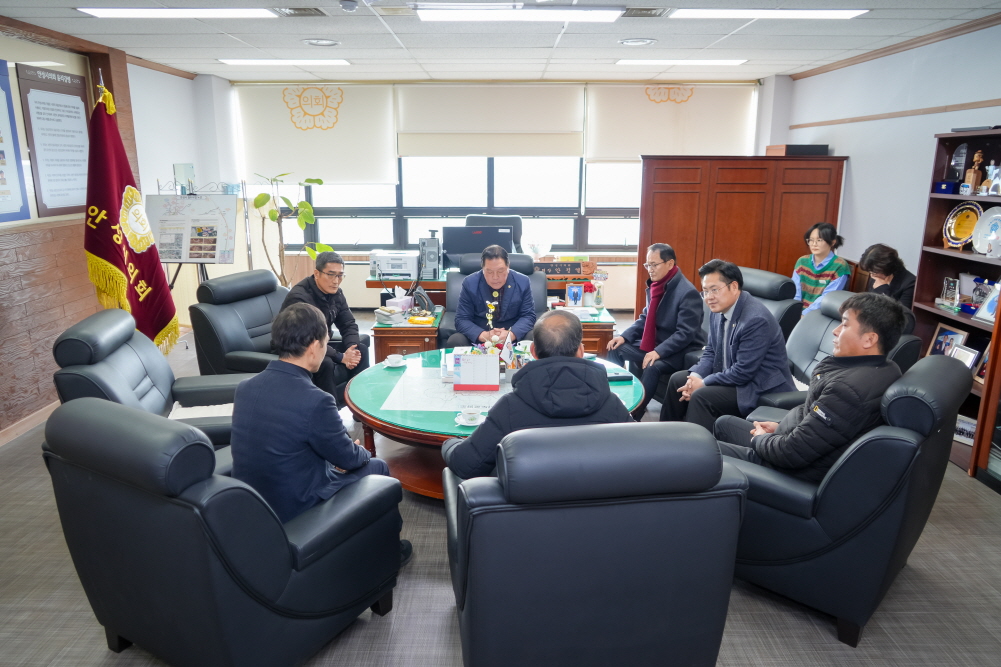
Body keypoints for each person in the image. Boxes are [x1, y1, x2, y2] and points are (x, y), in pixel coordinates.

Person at [231, 303, 411, 563]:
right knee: (378, 467)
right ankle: (390, 551)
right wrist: (356, 452)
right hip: (298, 507)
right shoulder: (316, 401)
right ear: (314, 347)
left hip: (254, 504)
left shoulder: (245, 388)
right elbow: (349, 459)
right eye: (326, 342)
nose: (326, 348)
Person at [713, 292, 905, 483]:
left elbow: (791, 453)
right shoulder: (885, 367)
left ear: (869, 340)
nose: (835, 330)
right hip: (798, 448)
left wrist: (760, 440)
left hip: (792, 471)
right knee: (724, 424)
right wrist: (782, 427)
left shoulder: (846, 391)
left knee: (704, 451)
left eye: (845, 324)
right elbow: (818, 429)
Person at [442, 309, 633, 479]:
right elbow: (642, 454)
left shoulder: (510, 407)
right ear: (581, 351)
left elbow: (465, 465)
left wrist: (449, 444)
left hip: (526, 514)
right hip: (601, 510)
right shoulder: (612, 404)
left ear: (533, 351)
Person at [661, 259, 795, 431]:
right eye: (705, 291)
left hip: (758, 386)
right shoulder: (718, 310)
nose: (709, 297)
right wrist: (695, 377)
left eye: (714, 290)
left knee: (702, 395)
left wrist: (703, 383)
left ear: (733, 287)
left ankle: (698, 451)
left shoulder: (755, 320)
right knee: (678, 381)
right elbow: (710, 351)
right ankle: (666, 437)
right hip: (731, 376)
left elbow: (743, 372)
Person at [607, 242, 705, 421]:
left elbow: (685, 334)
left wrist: (658, 352)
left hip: (679, 351)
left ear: (670, 264)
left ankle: (633, 413)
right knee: (615, 347)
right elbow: (645, 318)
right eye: (647, 265)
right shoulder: (656, 286)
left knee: (652, 367)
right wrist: (623, 336)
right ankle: (618, 399)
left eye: (654, 264)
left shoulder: (687, 292)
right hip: (655, 343)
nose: (650, 270)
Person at [279, 251, 369, 406]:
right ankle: (330, 412)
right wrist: (341, 357)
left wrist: (351, 349)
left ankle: (360, 407)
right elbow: (308, 338)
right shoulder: (300, 298)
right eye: (331, 275)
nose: (336, 281)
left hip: (320, 343)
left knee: (361, 347)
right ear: (317, 273)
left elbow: (348, 324)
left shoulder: (336, 293)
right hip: (296, 347)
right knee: (325, 363)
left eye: (340, 275)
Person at [447, 244, 536, 348]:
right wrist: (484, 335)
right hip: (481, 338)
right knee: (455, 340)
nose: (495, 277)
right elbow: (462, 319)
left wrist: (511, 334)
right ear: (482, 268)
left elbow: (528, 316)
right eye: (489, 272)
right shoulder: (470, 283)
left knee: (535, 337)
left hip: (511, 338)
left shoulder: (522, 281)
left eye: (500, 271)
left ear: (508, 266)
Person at [792, 222, 851, 315]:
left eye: (819, 240)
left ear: (832, 242)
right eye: (811, 240)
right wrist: (794, 310)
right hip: (797, 311)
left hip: (820, 313)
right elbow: (795, 291)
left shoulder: (840, 266)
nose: (814, 244)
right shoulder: (802, 261)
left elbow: (827, 297)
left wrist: (804, 314)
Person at [860, 243, 915, 309]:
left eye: (874, 272)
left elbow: (903, 314)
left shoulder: (910, 283)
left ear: (886, 268)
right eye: (870, 272)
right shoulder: (876, 276)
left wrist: (883, 289)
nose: (871, 275)